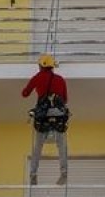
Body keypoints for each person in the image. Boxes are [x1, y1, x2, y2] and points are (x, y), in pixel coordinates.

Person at [21, 54, 70, 186]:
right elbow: (65, 99)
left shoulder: (37, 78)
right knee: (62, 146)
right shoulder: (60, 79)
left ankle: (33, 174)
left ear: (41, 65)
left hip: (42, 115)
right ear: (52, 66)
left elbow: (25, 93)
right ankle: (64, 173)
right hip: (59, 114)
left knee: (38, 146)